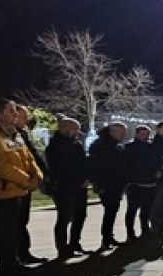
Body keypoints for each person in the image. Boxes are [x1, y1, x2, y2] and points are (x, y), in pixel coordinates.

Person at [0, 99, 42, 276]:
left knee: (10, 235)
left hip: (16, 192)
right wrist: (26, 180)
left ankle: (10, 271)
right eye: (11, 110)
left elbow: (28, 158)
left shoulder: (15, 134)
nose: (16, 114)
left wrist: (36, 176)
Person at [45, 117, 91, 259]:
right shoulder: (55, 146)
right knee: (65, 217)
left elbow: (82, 162)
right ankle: (63, 248)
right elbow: (60, 168)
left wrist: (86, 177)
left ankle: (75, 243)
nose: (77, 132)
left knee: (80, 215)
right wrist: (78, 179)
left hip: (79, 186)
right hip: (65, 187)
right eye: (74, 129)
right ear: (65, 129)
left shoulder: (75, 143)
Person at [12, 106, 48, 264]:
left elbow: (31, 157)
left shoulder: (21, 134)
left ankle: (22, 254)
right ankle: (14, 258)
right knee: (13, 224)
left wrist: (39, 175)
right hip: (15, 186)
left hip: (25, 185)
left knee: (21, 222)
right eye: (23, 117)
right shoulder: (7, 135)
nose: (26, 121)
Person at [88, 122, 127, 250]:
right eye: (120, 133)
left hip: (116, 184)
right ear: (112, 132)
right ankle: (106, 237)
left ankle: (109, 236)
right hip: (107, 184)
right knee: (109, 211)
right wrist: (99, 184)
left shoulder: (117, 146)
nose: (123, 135)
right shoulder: (101, 146)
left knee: (112, 211)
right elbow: (96, 167)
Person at [123, 125, 157, 241]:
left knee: (146, 208)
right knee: (132, 208)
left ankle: (145, 229)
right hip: (135, 183)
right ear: (137, 134)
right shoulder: (129, 147)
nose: (145, 137)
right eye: (142, 134)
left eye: (147, 134)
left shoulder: (151, 147)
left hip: (150, 182)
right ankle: (130, 232)